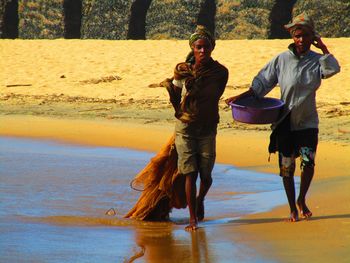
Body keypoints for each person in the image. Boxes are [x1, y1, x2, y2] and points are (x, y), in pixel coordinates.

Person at [225, 12, 340, 222]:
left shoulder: (317, 61)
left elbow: (333, 69)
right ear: (292, 37)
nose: (301, 40)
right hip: (285, 120)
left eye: (305, 35)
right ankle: (292, 207)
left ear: (311, 37)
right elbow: (261, 83)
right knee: (286, 167)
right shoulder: (282, 59)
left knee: (308, 162)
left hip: (307, 121)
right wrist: (240, 97)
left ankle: (302, 199)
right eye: (297, 36)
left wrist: (323, 48)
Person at [125, 25, 228, 231]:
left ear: (211, 48)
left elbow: (215, 95)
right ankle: (192, 219)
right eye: (198, 47)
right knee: (190, 173)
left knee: (205, 175)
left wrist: (196, 84)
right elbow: (176, 100)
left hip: (208, 128)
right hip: (186, 128)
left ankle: (199, 200)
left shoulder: (220, 72)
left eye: (206, 47)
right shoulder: (181, 72)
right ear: (192, 48)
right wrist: (178, 88)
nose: (202, 51)